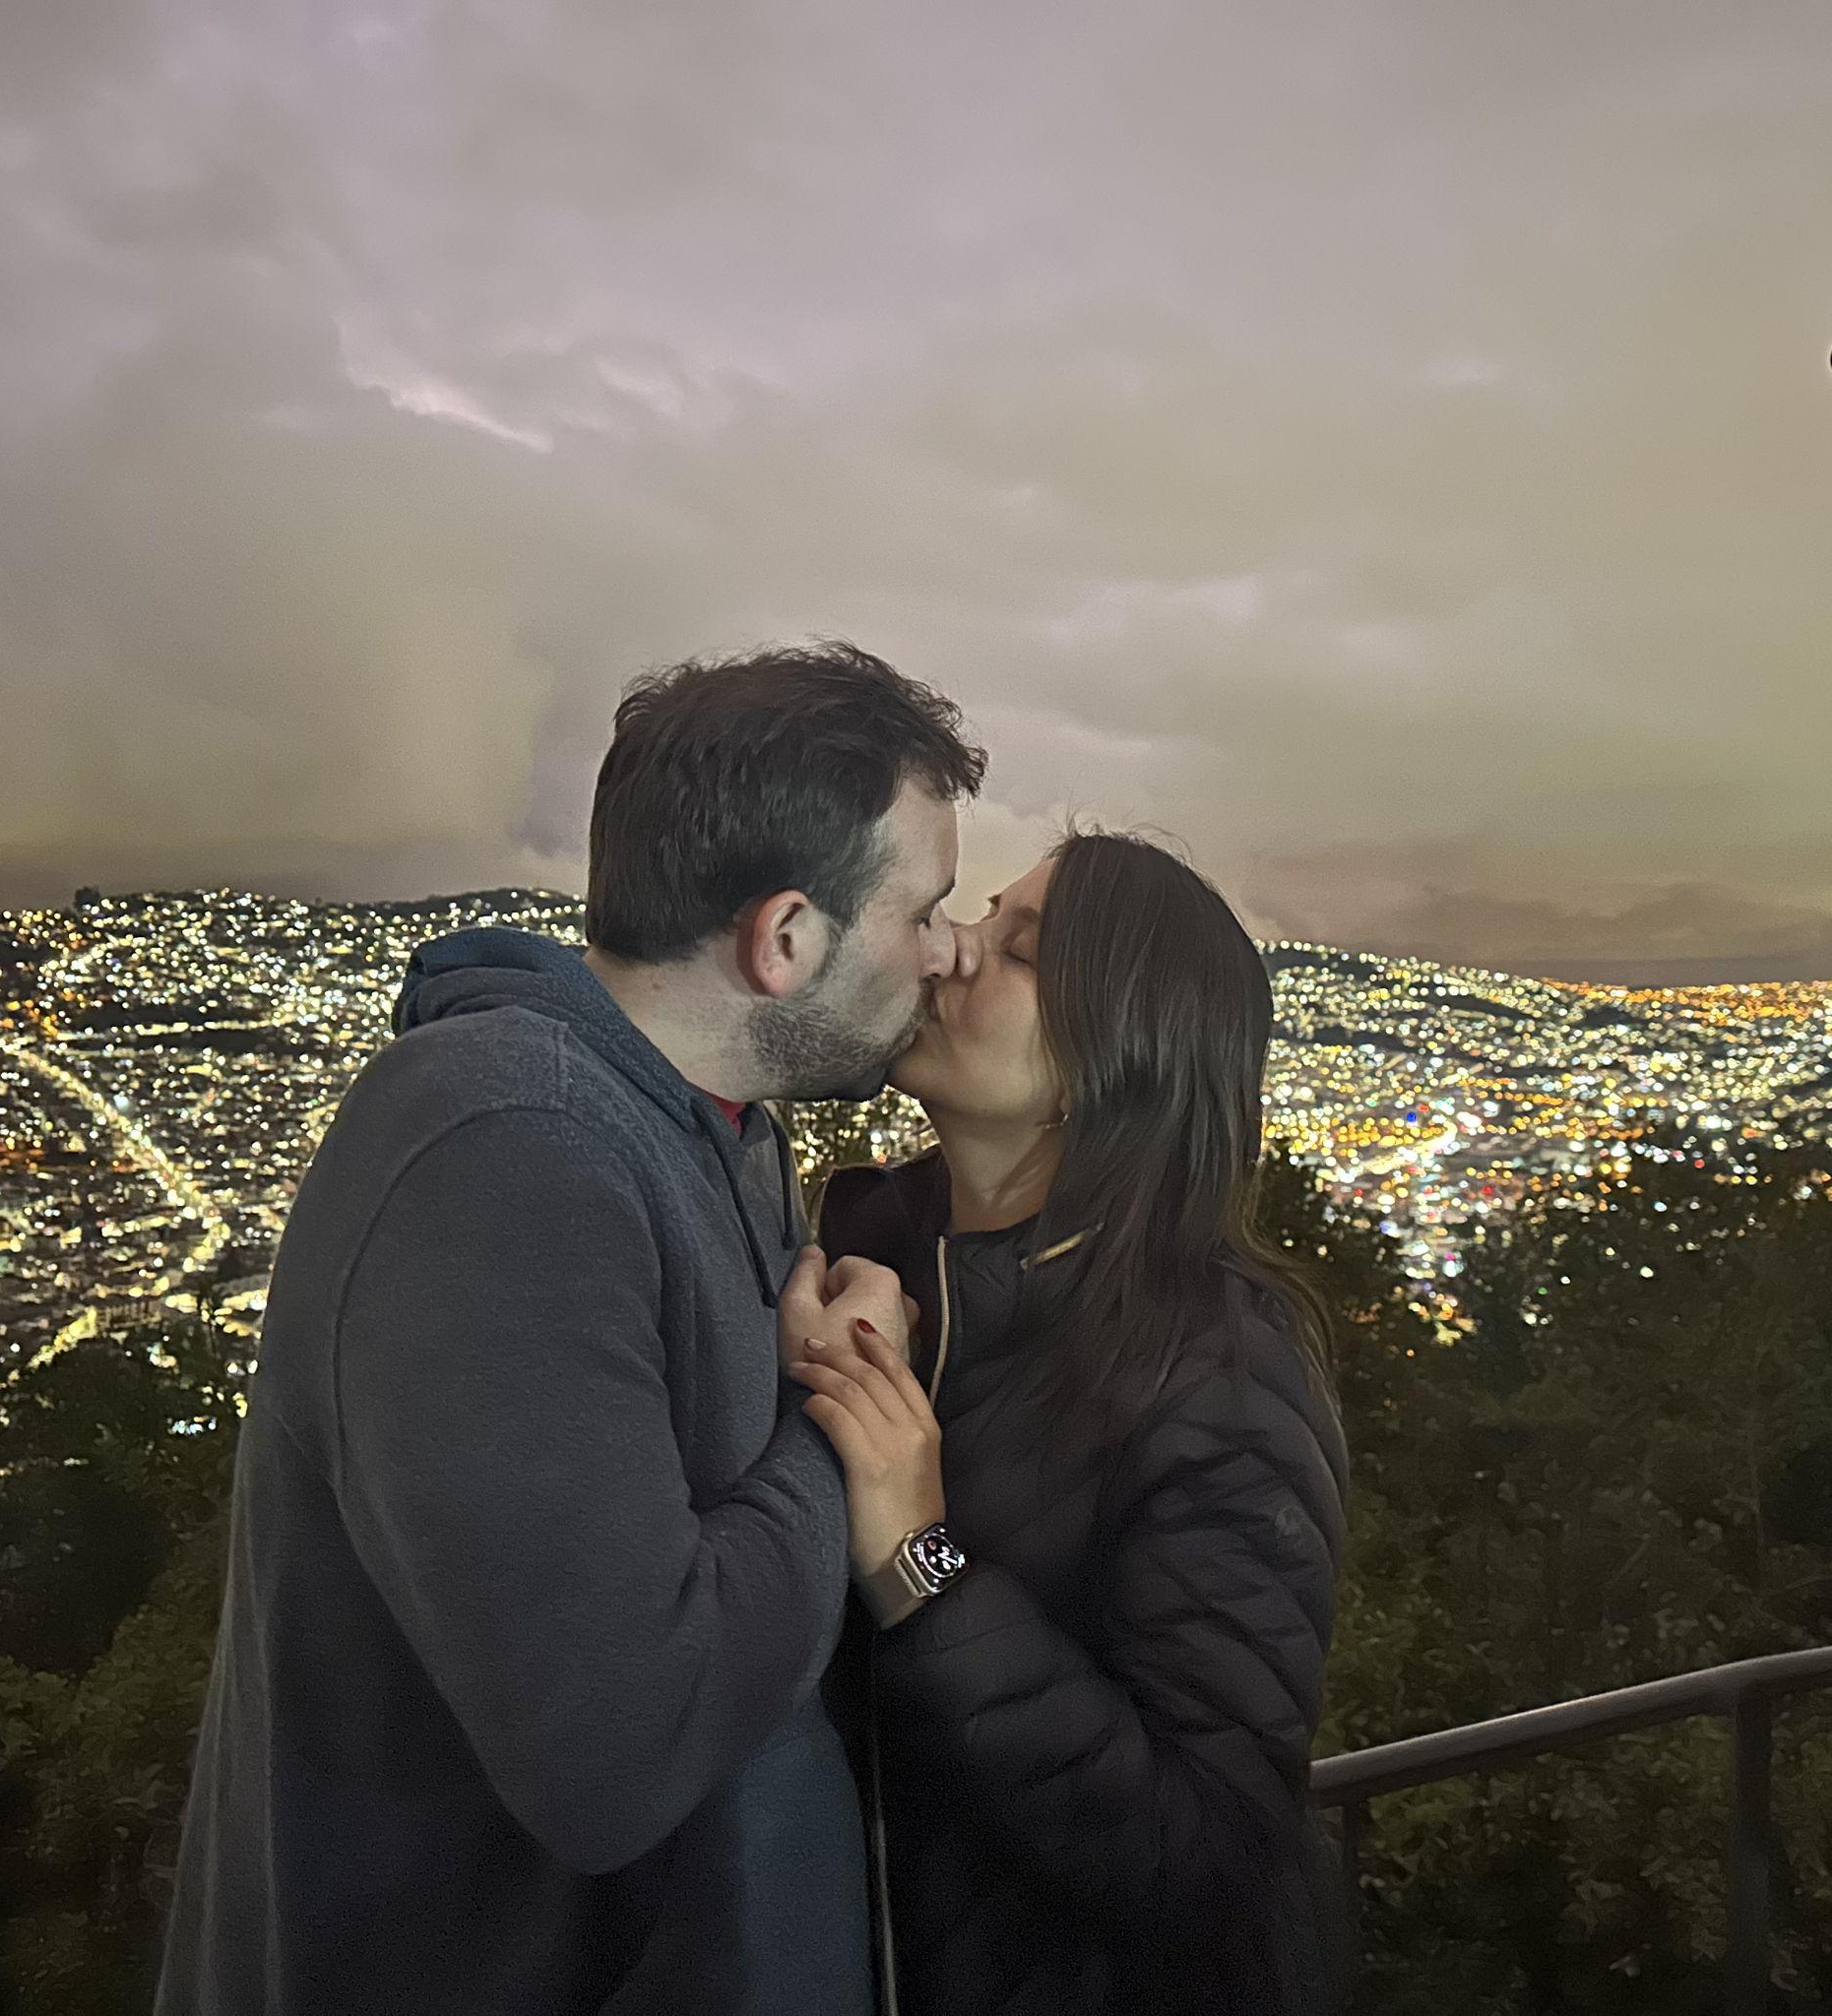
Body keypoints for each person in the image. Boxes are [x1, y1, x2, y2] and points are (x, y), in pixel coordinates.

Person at [153, 640, 985, 2016]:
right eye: (923, 908)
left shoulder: (720, 1132)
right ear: (783, 939)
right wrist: (836, 1421)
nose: (945, 947)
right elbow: (621, 1749)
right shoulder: (507, 1151)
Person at [794, 830, 1349, 2016]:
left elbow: (1202, 1857)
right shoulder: (863, 1261)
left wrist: (922, 1564)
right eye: (977, 917)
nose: (950, 951)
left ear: (1110, 1059)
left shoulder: (1218, 1374)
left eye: (1018, 949)